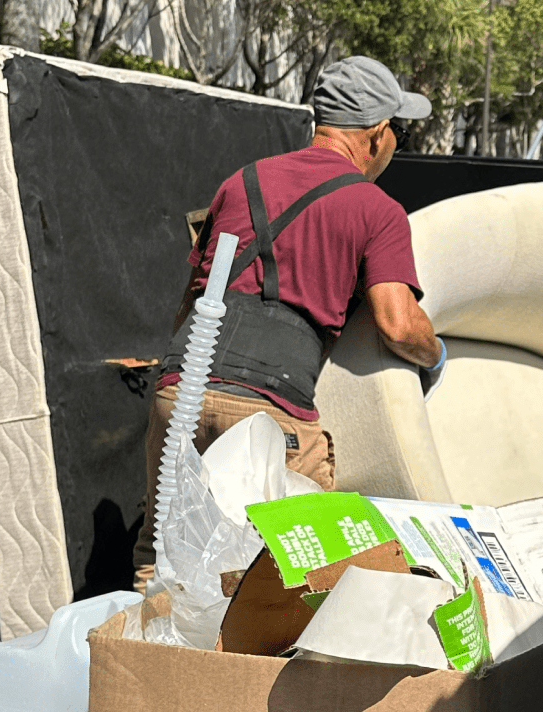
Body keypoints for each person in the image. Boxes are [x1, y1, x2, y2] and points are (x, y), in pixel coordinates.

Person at [132, 56, 446, 593]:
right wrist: (436, 354)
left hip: (179, 388)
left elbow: (193, 296)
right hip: (270, 409)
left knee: (163, 558)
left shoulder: (242, 181)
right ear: (374, 134)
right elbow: (398, 323)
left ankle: (139, 664)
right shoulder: (377, 210)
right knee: (305, 574)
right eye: (394, 128)